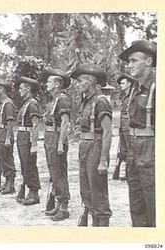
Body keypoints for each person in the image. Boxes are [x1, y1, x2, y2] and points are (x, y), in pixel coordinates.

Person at [118, 40, 156, 227]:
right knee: (137, 206)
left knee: (154, 205)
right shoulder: (134, 89)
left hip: (152, 155)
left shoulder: (157, 88)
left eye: (134, 60)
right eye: (128, 61)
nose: (129, 65)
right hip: (133, 153)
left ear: (148, 61)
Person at [71, 64, 113, 227]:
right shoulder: (87, 101)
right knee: (86, 189)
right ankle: (94, 225)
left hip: (96, 146)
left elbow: (108, 132)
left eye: (80, 81)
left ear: (90, 81)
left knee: (98, 190)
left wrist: (103, 160)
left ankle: (102, 228)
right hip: (85, 145)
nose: (77, 84)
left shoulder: (101, 102)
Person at [42, 69, 72, 221]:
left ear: (57, 84)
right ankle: (58, 204)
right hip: (49, 137)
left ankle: (64, 207)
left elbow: (66, 123)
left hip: (56, 137)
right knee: (54, 173)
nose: (46, 84)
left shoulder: (62, 100)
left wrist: (60, 143)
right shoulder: (53, 101)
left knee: (59, 173)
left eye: (49, 82)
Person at [14, 76, 41, 205]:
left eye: (21, 88)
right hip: (21, 136)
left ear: (28, 89)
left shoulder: (33, 104)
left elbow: (36, 125)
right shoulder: (26, 103)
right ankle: (28, 189)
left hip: (27, 137)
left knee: (30, 165)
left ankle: (34, 192)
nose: (19, 91)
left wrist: (34, 145)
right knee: (25, 165)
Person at [0, 79, 16, 194]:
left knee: (7, 159)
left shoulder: (8, 103)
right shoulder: (1, 104)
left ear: (3, 90)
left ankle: (11, 184)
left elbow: (10, 122)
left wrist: (7, 138)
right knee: (1, 158)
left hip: (5, 134)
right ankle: (6, 182)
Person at [112, 74, 137, 181]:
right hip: (122, 127)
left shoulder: (133, 95)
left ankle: (131, 173)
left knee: (130, 150)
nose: (121, 85)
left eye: (123, 83)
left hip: (128, 126)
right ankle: (127, 172)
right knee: (123, 150)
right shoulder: (124, 96)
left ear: (129, 83)